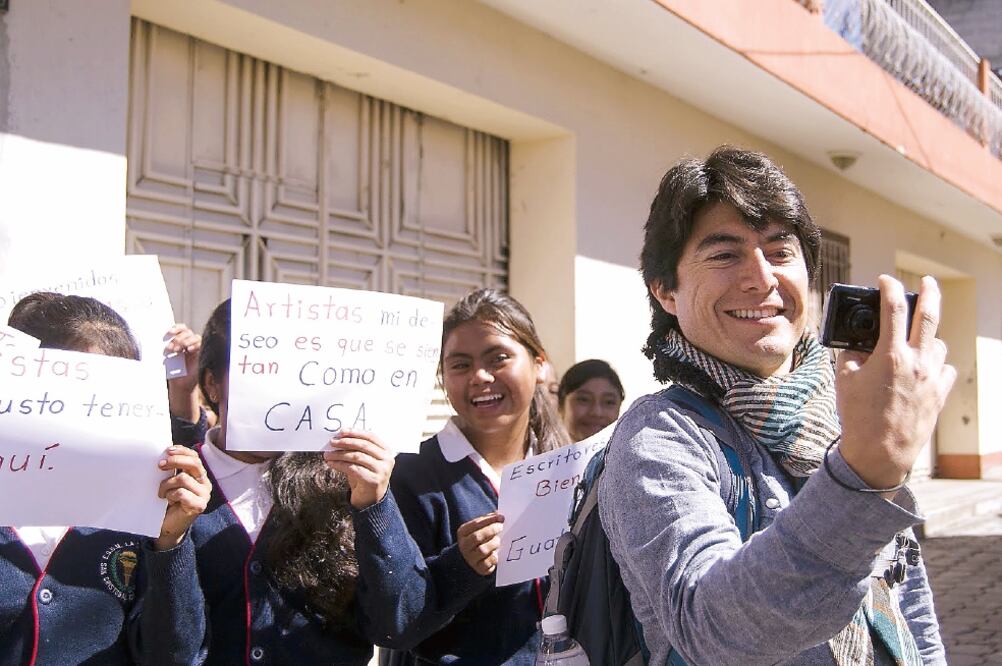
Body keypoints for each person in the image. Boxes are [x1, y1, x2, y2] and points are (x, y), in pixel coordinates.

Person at [598, 146, 953, 665]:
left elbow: (903, 594)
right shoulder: (658, 436)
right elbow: (711, 629)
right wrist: (861, 477)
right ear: (666, 292)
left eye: (780, 252)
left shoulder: (846, 410)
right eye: (725, 254)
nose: (761, 278)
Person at [176, 298, 417, 664]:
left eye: (298, 376)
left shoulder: (343, 479)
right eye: (261, 375)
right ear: (213, 385)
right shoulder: (180, 484)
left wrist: (375, 505)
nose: (279, 394)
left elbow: (396, 623)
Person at [1, 293, 210, 665]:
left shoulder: (143, 510)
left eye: (108, 398)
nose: (94, 410)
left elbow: (172, 655)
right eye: (76, 390)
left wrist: (170, 543)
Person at [378, 288, 571, 665]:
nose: (481, 377)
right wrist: (461, 568)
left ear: (539, 364)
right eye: (460, 365)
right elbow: (395, 618)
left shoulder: (570, 468)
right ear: (443, 377)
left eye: (498, 358)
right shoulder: (410, 477)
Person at [557, 359, 625, 441]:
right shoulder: (542, 452)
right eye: (584, 399)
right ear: (560, 405)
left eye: (609, 402)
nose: (597, 412)